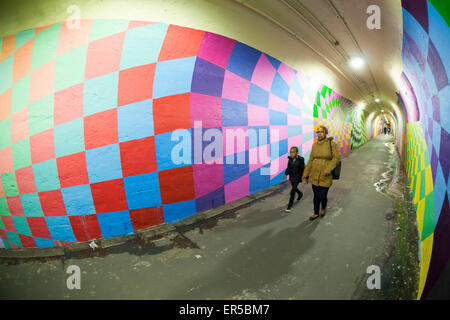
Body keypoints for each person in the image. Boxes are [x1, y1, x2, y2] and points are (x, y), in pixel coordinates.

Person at [302, 125, 340, 220]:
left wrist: (328, 169)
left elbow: (336, 158)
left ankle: (323, 207)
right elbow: (311, 160)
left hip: (325, 174)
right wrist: (305, 174)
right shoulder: (314, 145)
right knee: (316, 196)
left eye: (321, 132)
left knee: (322, 196)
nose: (319, 134)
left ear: (325, 132)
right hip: (315, 174)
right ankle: (315, 213)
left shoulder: (332, 144)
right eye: (317, 132)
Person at [282, 146, 305, 213]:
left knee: (292, 192)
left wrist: (305, 177)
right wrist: (285, 174)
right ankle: (300, 194)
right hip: (292, 177)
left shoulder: (301, 159)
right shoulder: (290, 159)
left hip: (298, 177)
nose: (291, 153)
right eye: (290, 152)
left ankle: (289, 207)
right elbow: (288, 168)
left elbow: (302, 169)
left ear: (297, 152)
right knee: (294, 188)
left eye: (293, 152)